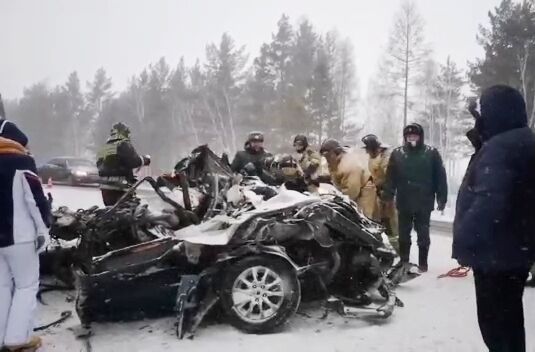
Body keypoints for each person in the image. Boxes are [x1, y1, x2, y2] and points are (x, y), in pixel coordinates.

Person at [453, 85, 535, 352]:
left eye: (483, 114)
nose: (479, 120)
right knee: (510, 322)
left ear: (497, 113)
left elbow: (490, 200)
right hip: (514, 252)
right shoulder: (520, 141)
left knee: (495, 327)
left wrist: (466, 241)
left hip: (495, 256)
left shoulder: (501, 148)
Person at [0, 121, 50, 352]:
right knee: (26, 286)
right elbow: (36, 200)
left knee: (1, 286)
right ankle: (17, 339)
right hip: (20, 237)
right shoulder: (21, 160)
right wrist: (44, 229)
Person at [383, 123, 447, 272]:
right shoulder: (397, 154)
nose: (412, 138)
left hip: (424, 200)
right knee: (403, 233)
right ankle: (404, 261)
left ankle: (423, 263)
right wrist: (388, 195)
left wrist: (441, 197)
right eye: (409, 136)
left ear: (421, 137)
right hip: (404, 200)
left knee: (423, 233)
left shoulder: (431, 153)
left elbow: (440, 177)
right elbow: (390, 177)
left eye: (415, 136)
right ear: (405, 137)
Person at [97, 122, 151, 206]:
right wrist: (145, 159)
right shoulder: (123, 144)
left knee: (110, 211)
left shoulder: (105, 147)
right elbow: (133, 161)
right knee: (127, 211)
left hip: (105, 187)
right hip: (121, 186)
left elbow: (99, 164)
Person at [319, 138, 376, 218]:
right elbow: (337, 175)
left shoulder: (348, 166)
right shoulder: (334, 162)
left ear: (336, 153)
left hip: (364, 189)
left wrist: (341, 202)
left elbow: (352, 191)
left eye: (328, 156)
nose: (326, 159)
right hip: (351, 187)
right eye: (325, 156)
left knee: (362, 217)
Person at [362, 134, 398, 251]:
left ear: (374, 148)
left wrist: (386, 192)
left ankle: (399, 250)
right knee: (381, 221)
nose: (367, 153)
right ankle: (387, 247)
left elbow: (391, 177)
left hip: (389, 194)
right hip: (380, 193)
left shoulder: (387, 158)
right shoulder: (375, 157)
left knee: (391, 223)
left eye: (368, 150)